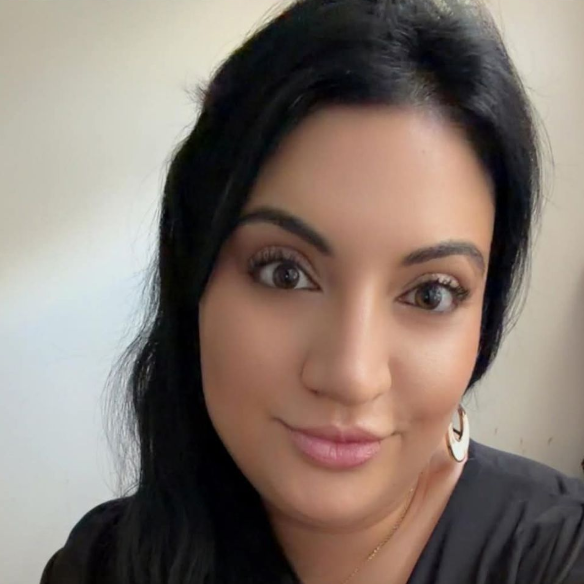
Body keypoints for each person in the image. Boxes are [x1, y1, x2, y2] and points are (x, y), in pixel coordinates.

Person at [40, 0, 584, 583]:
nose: (352, 376)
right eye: (285, 273)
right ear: (193, 277)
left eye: (431, 293)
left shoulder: (557, 556)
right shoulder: (105, 565)